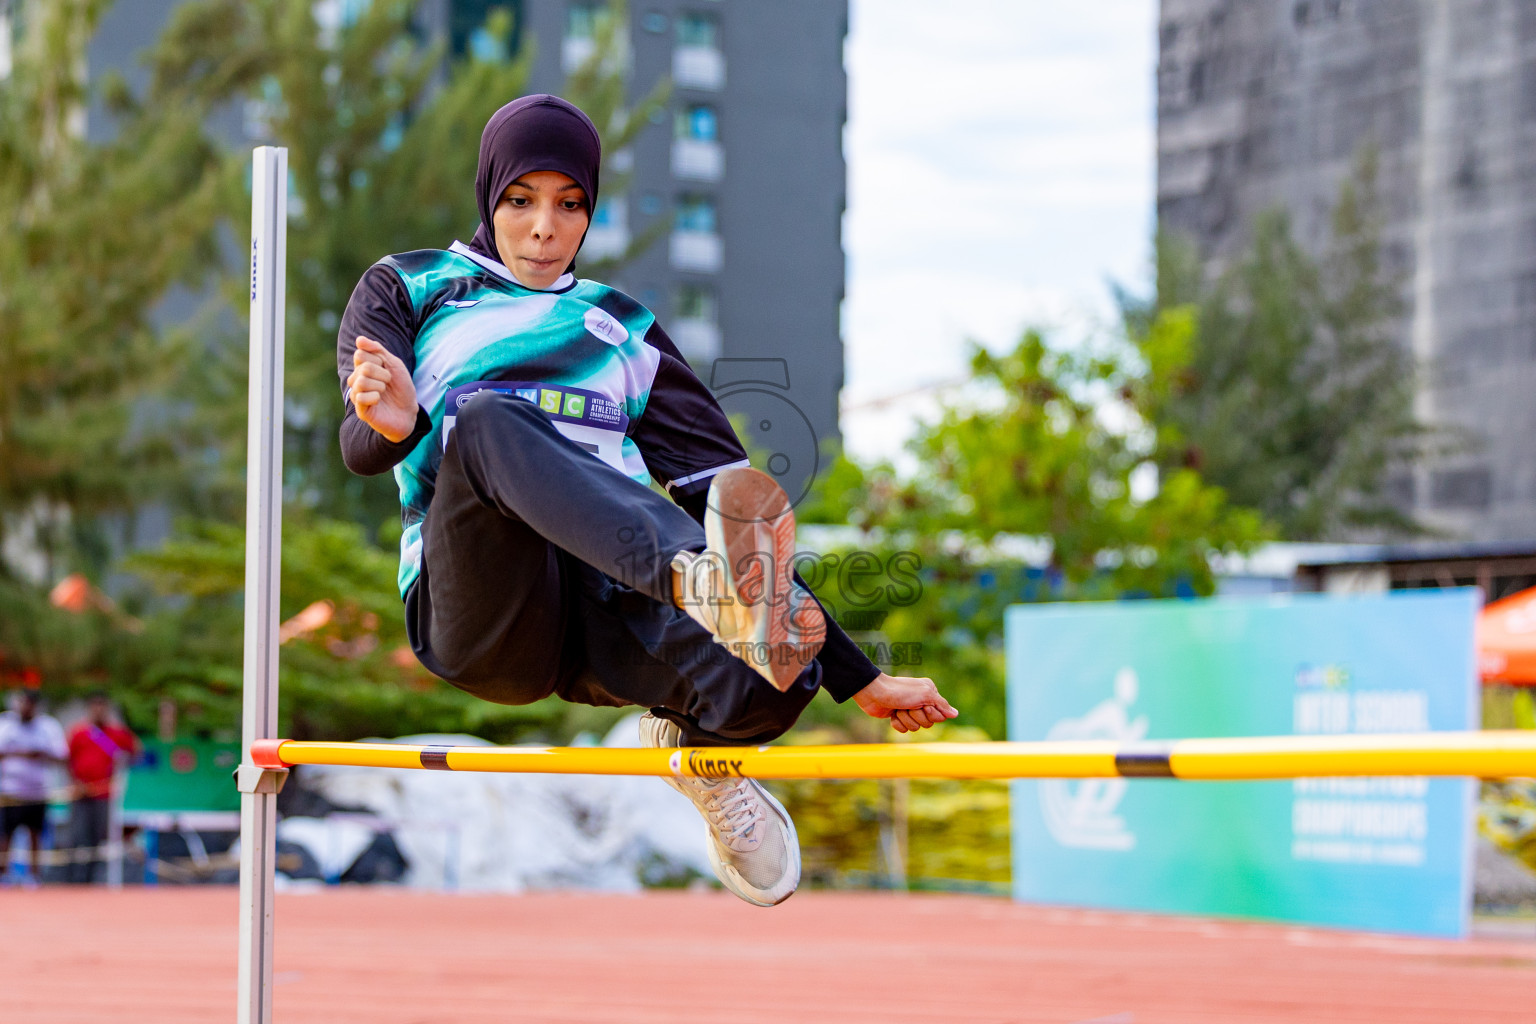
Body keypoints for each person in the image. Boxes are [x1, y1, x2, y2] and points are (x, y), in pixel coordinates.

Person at [338, 94, 957, 906]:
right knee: (490, 419)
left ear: (591, 212)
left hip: (613, 597)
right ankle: (687, 581)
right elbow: (358, 448)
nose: (543, 229)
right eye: (520, 201)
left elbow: (730, 507)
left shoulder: (622, 328)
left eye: (570, 206)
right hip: (485, 611)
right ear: (489, 195)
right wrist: (398, 424)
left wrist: (858, 679)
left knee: (782, 673)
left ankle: (699, 757)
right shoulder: (414, 286)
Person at [64, 693, 140, 883]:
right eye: (94, 706)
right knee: (78, 837)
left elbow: (136, 751)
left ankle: (95, 880)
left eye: (102, 706)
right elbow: (67, 759)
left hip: (105, 795)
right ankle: (75, 880)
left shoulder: (117, 733)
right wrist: (75, 783)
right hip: (81, 794)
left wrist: (119, 773)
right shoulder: (79, 732)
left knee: (101, 838)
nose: (98, 710)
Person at [0, 689, 67, 886]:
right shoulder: (5, 724)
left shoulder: (48, 726)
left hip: (38, 791)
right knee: (5, 835)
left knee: (36, 834)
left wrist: (40, 754)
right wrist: (20, 753)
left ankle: (34, 876)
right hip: (10, 791)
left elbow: (62, 755)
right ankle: (3, 874)